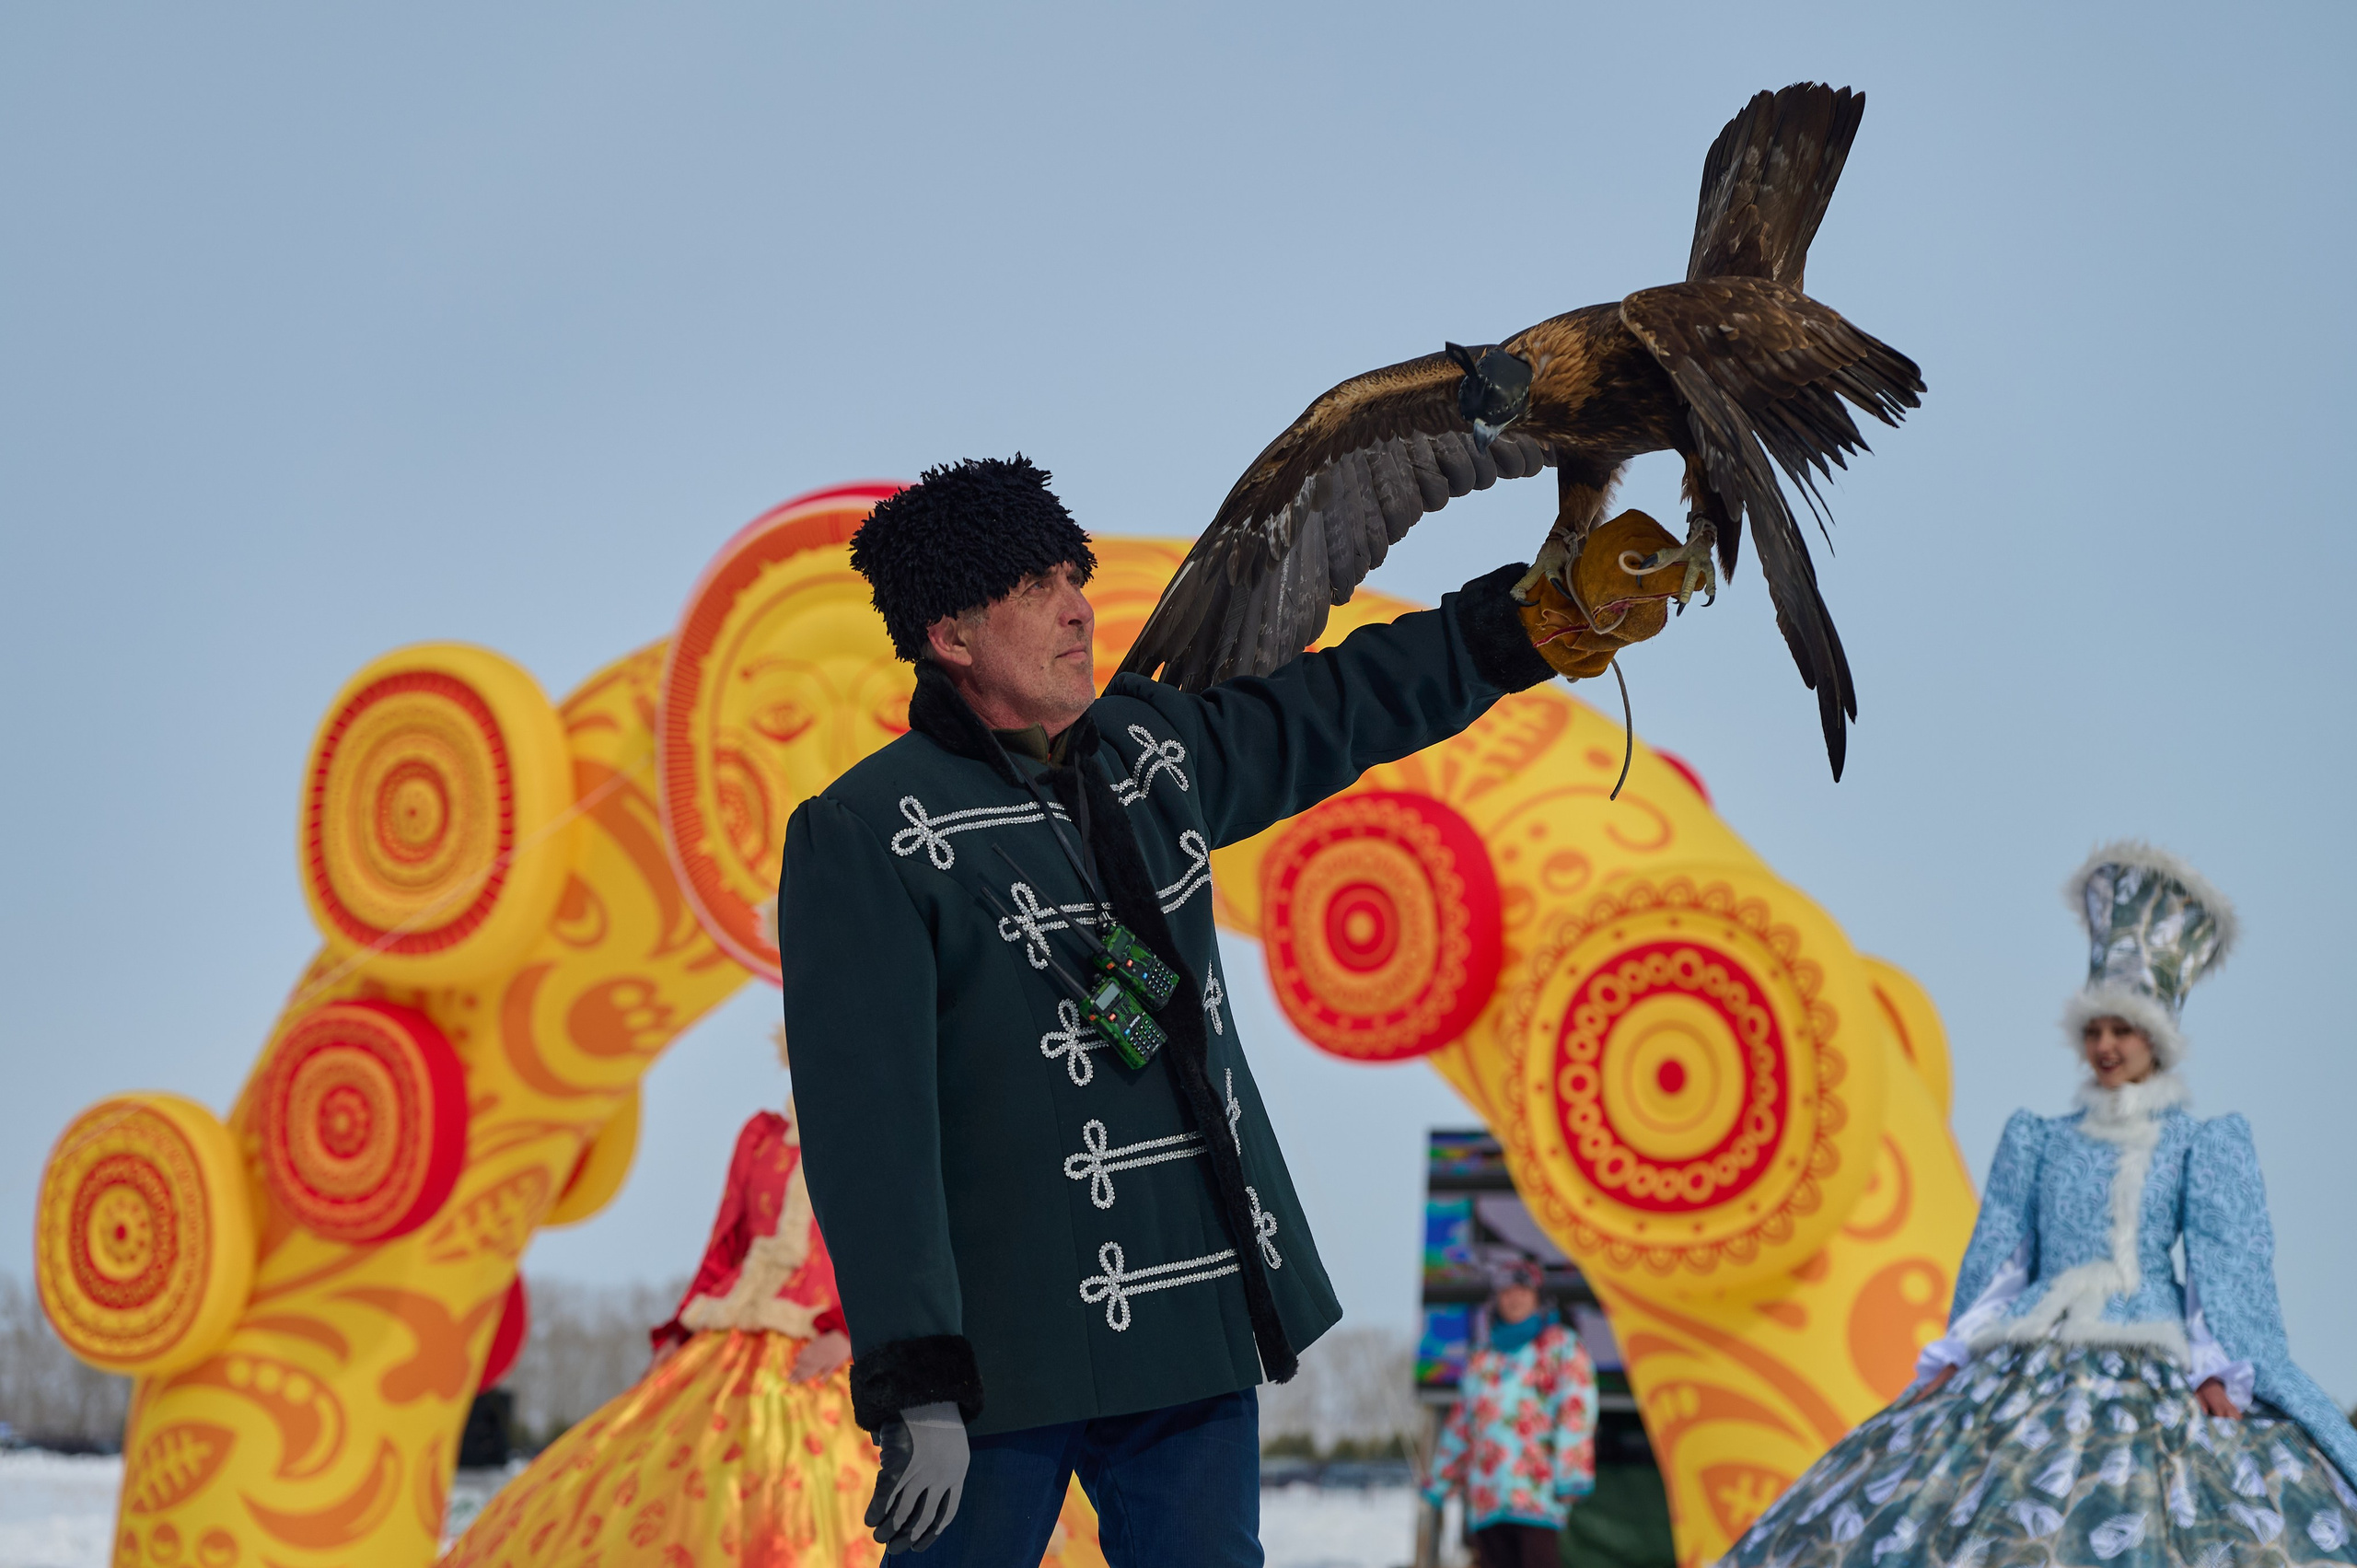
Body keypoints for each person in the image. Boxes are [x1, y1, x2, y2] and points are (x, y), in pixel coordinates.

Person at [777, 457, 1674, 1563]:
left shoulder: (1150, 752)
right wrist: (915, 1375)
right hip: (1005, 1352)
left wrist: (1525, 626)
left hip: (1190, 1324)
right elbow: (871, 1135)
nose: (1076, 607)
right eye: (1034, 587)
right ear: (950, 634)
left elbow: (1337, 707)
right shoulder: (867, 829)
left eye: (1073, 575)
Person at [1721, 842, 2357, 1568]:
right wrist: (1956, 1356)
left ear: (2155, 1037)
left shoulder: (2196, 1142)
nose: (2105, 1045)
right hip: (2026, 1362)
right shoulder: (2039, 1139)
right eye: (2094, 1029)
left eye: (2122, 1029)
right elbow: (1999, 1265)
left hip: (2152, 1358)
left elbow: (2224, 1274)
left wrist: (2218, 1369)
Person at [439, 1056, 876, 1566]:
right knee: (686, 1489)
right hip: (729, 1343)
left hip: (827, 1353)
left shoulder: (877, 1145)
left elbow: (887, 1253)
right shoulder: (762, 1136)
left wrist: (851, 1332)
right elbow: (723, 1243)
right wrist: (678, 1333)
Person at [1423, 1259, 1599, 1568]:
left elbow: (1576, 1411)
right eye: (1506, 1292)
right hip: (1487, 1498)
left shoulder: (1561, 1347)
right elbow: (1461, 1424)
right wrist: (1441, 1478)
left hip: (1537, 1495)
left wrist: (1572, 1473)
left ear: (1538, 1297)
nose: (1514, 1298)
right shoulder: (1483, 1359)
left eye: (1522, 1291)